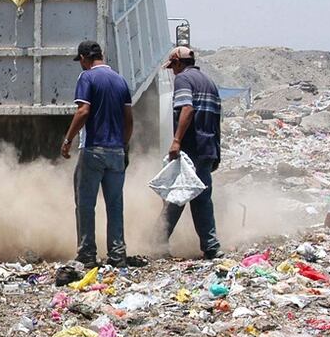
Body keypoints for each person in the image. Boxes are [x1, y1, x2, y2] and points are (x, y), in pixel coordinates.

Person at [61, 40, 143, 269]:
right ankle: (118, 255)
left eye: (81, 61)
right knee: (115, 205)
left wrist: (68, 139)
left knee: (86, 204)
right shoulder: (120, 80)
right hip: (116, 151)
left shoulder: (87, 78)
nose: (81, 65)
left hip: (94, 150)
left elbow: (83, 110)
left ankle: (87, 254)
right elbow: (129, 119)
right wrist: (124, 146)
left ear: (85, 58)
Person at [161, 46, 222, 259]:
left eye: (173, 67)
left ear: (178, 62)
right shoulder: (209, 83)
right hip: (207, 149)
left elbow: (187, 109)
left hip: (191, 149)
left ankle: (157, 241)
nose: (172, 72)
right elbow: (216, 119)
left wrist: (176, 141)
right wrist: (216, 153)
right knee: (202, 198)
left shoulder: (183, 81)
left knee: (177, 195)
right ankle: (211, 246)